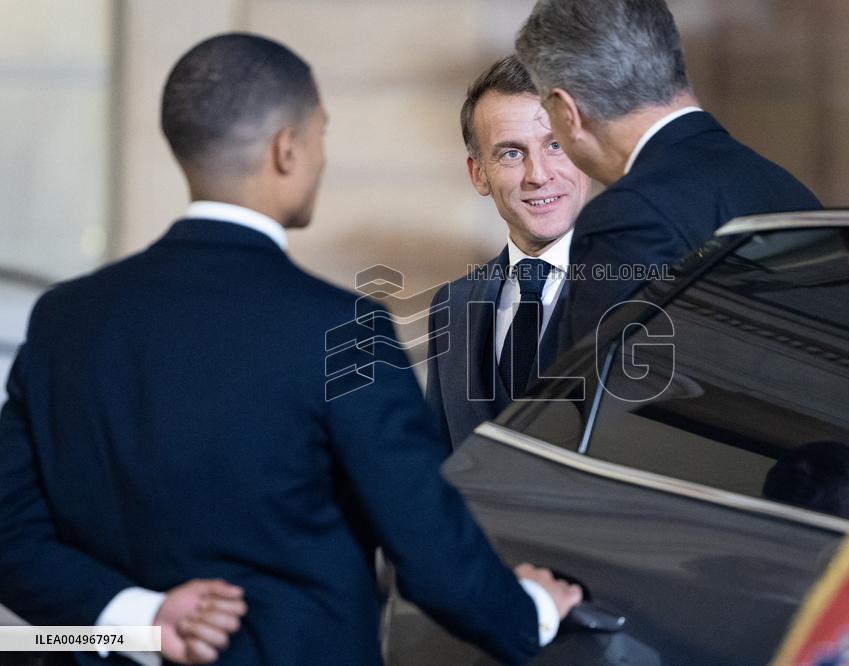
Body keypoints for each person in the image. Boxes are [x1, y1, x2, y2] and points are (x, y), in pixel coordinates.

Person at [0, 33, 581, 665]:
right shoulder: (344, 328)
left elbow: (9, 538)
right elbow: (428, 549)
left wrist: (137, 619)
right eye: (319, 135)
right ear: (287, 149)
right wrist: (530, 612)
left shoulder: (65, 319)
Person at [515, 0, 822, 345]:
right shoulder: (785, 188)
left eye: (546, 109)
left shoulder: (628, 216)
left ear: (568, 112)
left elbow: (601, 390)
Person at [425, 55, 591, 449]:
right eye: (511, 153)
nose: (538, 174)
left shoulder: (648, 291)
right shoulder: (451, 305)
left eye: (556, 145)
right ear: (478, 174)